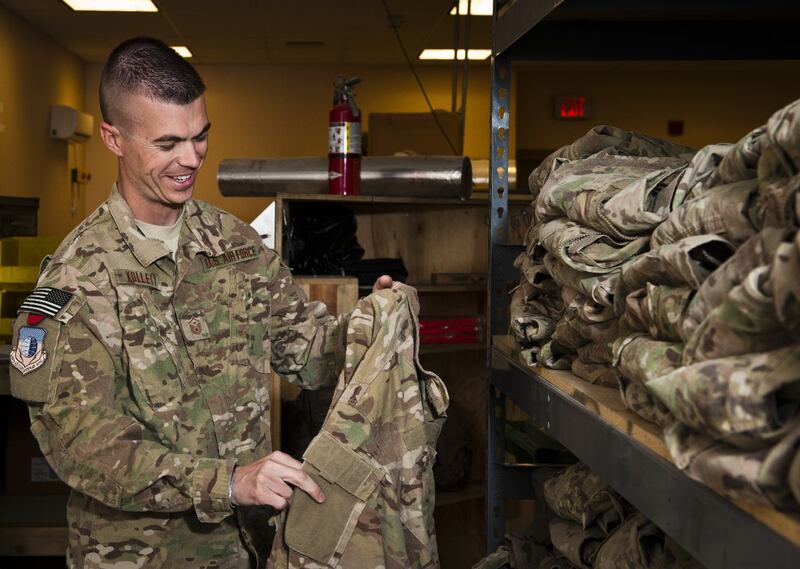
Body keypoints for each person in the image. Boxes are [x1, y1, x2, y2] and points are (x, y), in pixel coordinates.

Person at [8, 36, 394, 568]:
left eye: (200, 136)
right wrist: (228, 483)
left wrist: (372, 324)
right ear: (114, 138)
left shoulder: (235, 245)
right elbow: (83, 446)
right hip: (142, 557)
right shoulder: (75, 282)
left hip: (247, 549)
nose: (191, 159)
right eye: (167, 143)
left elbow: (308, 352)